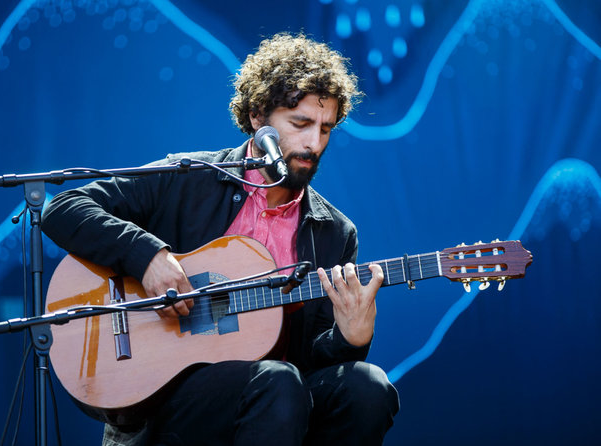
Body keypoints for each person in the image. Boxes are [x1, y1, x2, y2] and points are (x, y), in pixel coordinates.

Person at [42, 33, 399, 446]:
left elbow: (313, 363)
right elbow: (65, 208)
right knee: (278, 383)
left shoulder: (334, 232)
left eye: (325, 129)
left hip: (277, 404)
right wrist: (148, 257)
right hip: (167, 400)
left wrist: (347, 339)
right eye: (300, 124)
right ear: (256, 116)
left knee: (368, 387)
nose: (313, 143)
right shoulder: (189, 178)